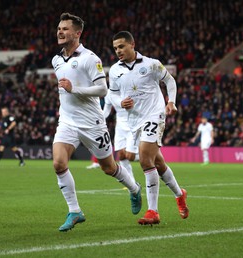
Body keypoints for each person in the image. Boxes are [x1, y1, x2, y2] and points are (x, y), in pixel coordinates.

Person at [51, 13, 141, 232]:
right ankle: (75, 211)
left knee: (109, 168)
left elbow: (102, 89)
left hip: (92, 123)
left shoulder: (91, 59)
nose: (60, 32)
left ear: (77, 33)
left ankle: (134, 188)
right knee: (59, 164)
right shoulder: (55, 60)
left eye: (65, 29)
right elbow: (65, 90)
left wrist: (75, 89)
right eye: (59, 28)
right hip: (68, 122)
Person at [109, 31, 188, 225]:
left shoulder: (151, 64)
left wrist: (171, 102)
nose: (118, 50)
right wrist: (120, 102)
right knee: (158, 163)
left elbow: (169, 80)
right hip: (133, 121)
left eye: (121, 46)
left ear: (132, 44)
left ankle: (153, 211)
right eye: (115, 48)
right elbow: (111, 94)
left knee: (144, 157)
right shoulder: (114, 70)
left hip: (155, 115)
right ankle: (180, 194)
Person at [102, 90, 138, 183]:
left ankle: (149, 157)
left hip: (133, 123)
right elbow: (106, 111)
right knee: (121, 155)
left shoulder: (129, 87)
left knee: (129, 155)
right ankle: (132, 183)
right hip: (120, 126)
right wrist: (97, 118)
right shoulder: (109, 93)